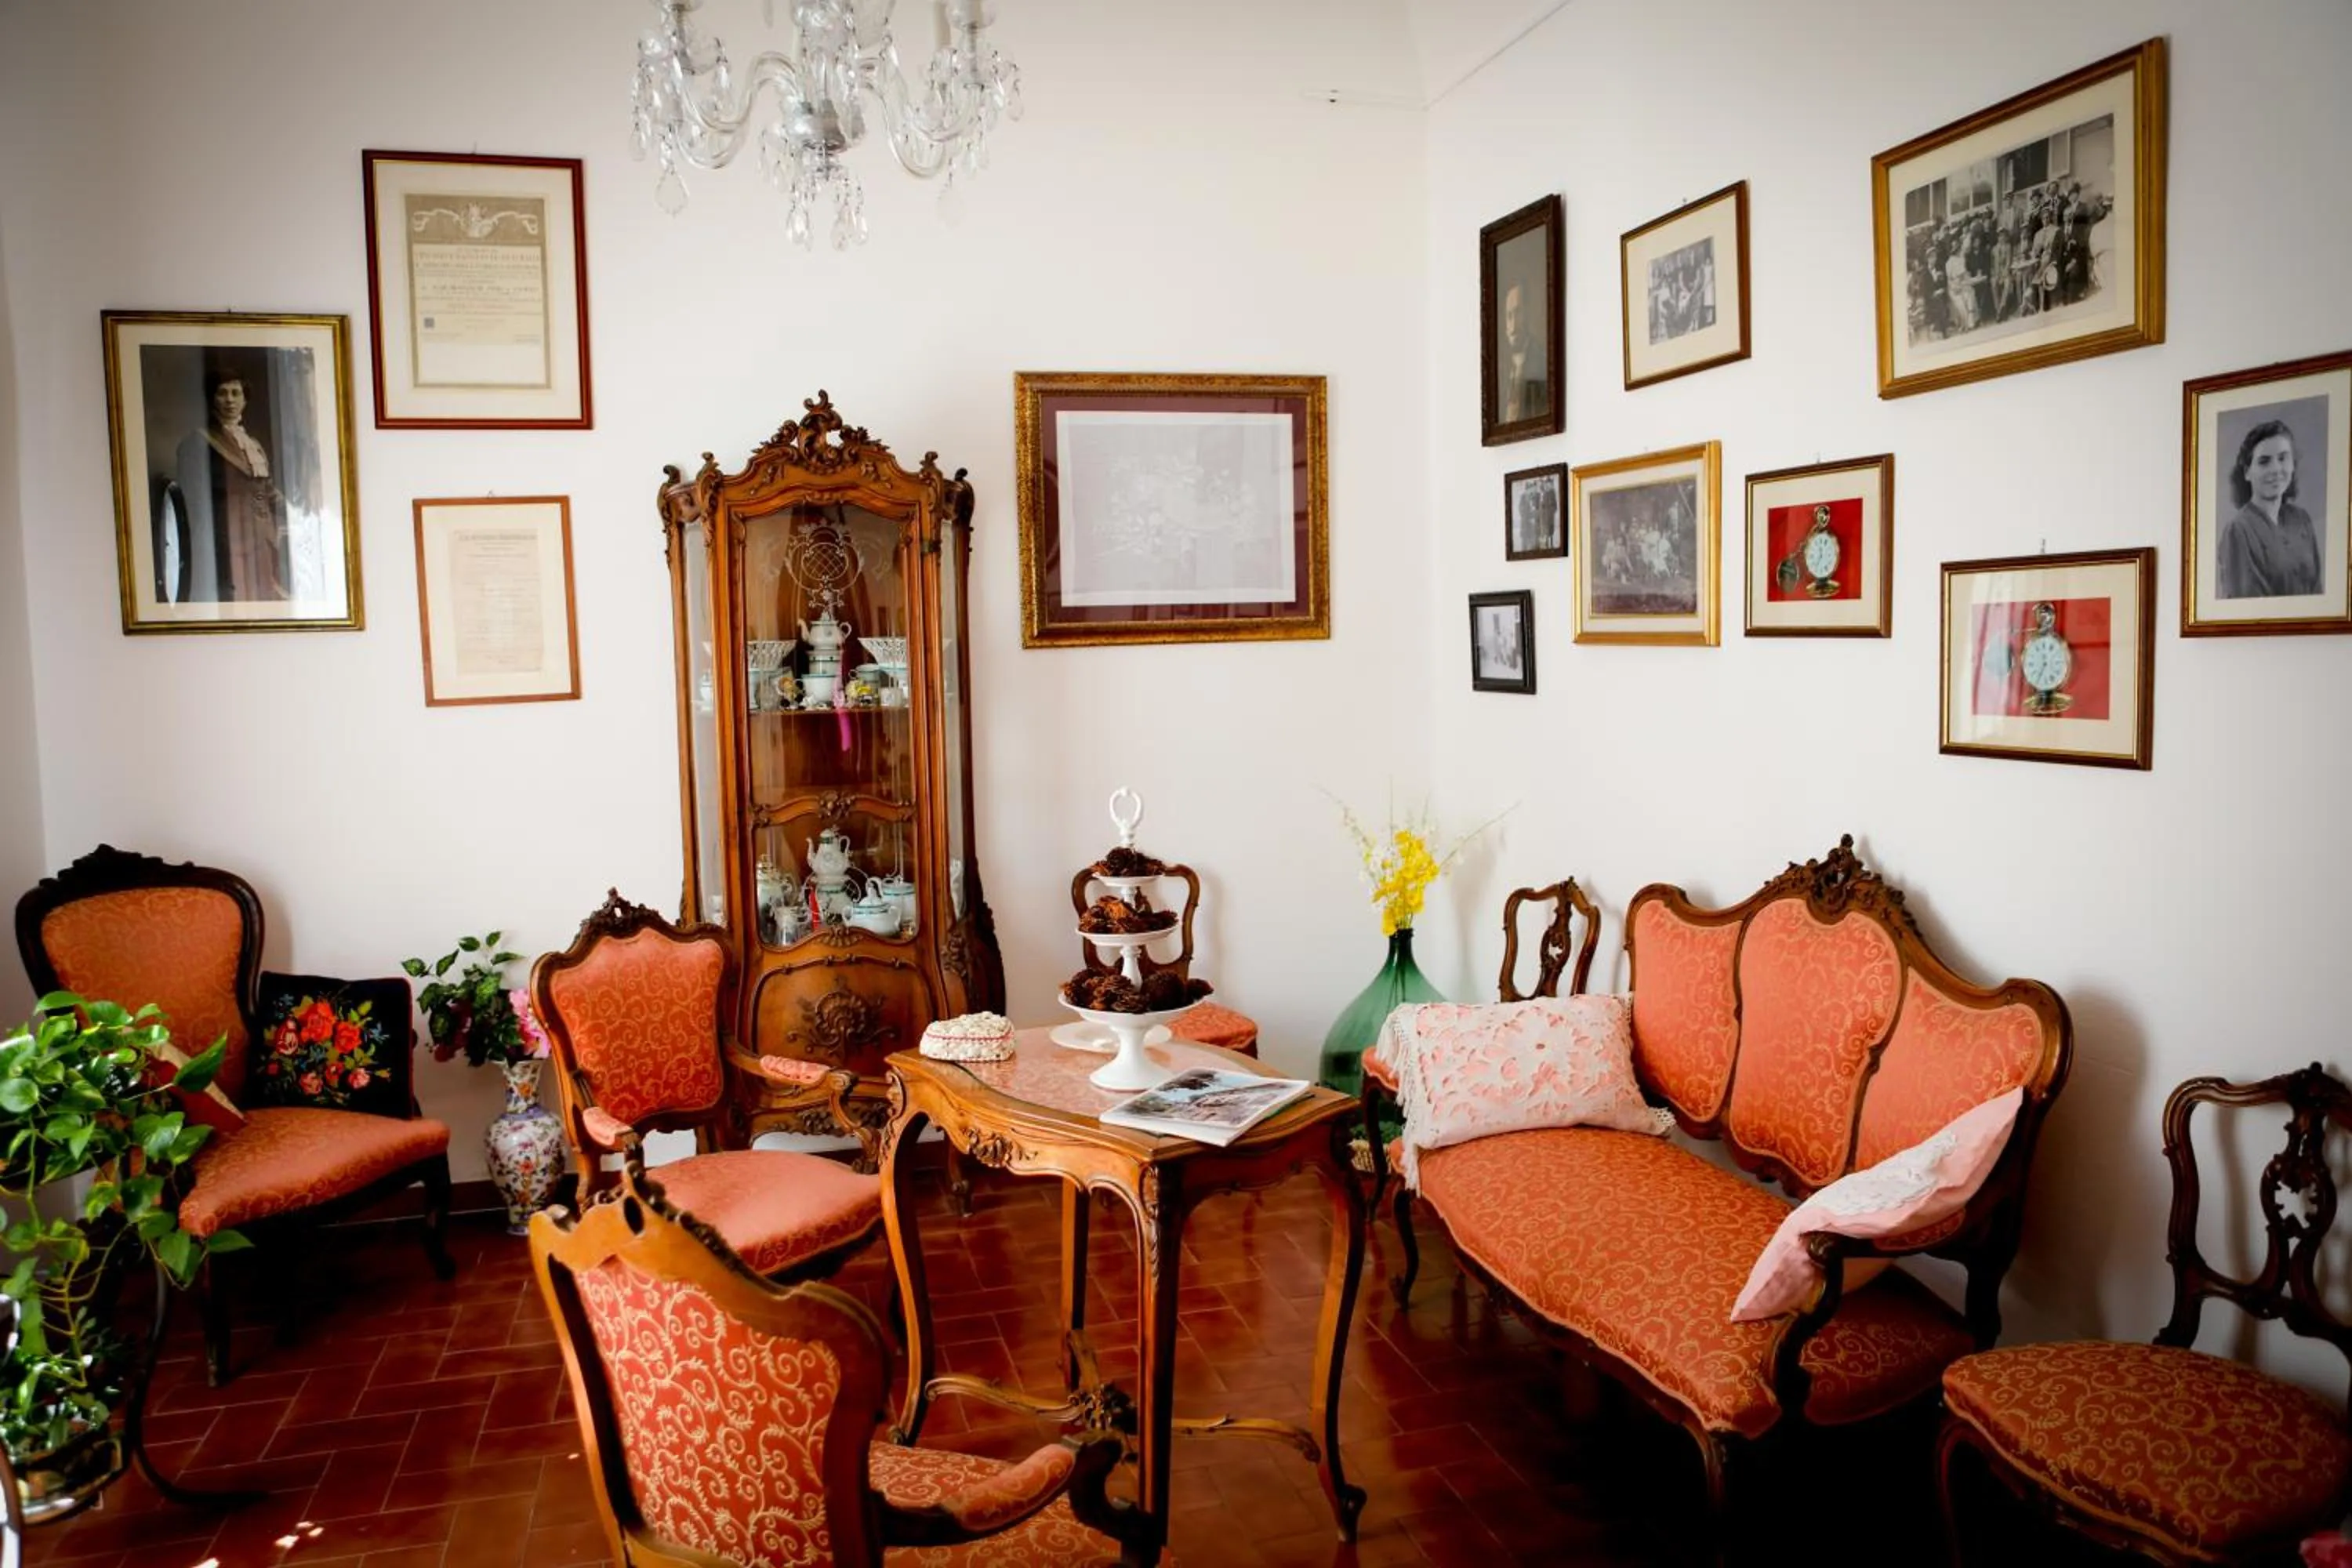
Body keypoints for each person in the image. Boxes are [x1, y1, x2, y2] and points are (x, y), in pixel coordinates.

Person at [173, 371, 289, 602]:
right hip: (227, 536)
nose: (230, 400)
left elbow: (265, 489)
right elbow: (195, 501)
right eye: (222, 393)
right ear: (212, 398)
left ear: (245, 400)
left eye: (236, 393)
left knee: (264, 596)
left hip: (262, 537)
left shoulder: (252, 444)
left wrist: (294, 512)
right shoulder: (198, 442)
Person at [2217, 419, 2322, 598]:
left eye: (2283, 458)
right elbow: (2248, 610)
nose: (2276, 469)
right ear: (2247, 472)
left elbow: (2319, 593)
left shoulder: (2302, 520)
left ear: (2292, 465)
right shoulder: (2238, 531)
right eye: (2264, 462)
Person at [1497, 276, 1546, 423]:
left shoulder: (1541, 363)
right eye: (1509, 316)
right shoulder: (1502, 370)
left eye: (1518, 313)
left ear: (1528, 314)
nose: (1512, 325)